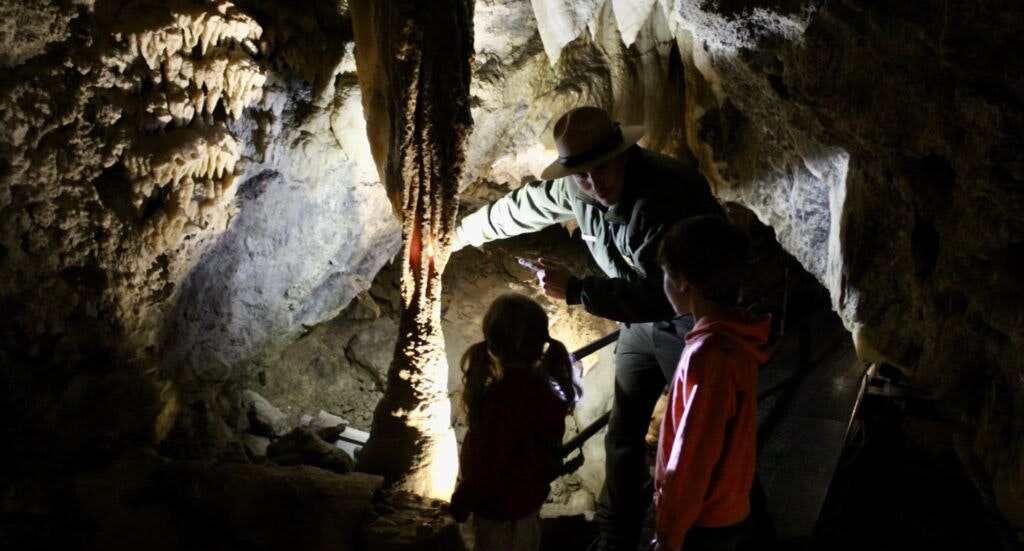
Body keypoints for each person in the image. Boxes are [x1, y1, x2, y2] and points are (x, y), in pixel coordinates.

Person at [452, 106, 724, 549]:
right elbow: (526, 206)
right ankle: (617, 534)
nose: (594, 185)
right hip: (637, 324)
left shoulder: (665, 196)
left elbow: (667, 292)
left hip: (689, 325)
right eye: (581, 176)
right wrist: (462, 234)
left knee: (703, 435)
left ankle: (726, 530)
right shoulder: (579, 188)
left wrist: (579, 290)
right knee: (622, 432)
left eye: (601, 170)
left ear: (622, 155)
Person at [652, 216, 772, 551]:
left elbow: (692, 455)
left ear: (684, 282)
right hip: (729, 507)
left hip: (705, 522)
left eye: (666, 274)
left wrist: (669, 533)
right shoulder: (736, 336)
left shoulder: (709, 356)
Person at [449, 293, 580, 551]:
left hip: (500, 516)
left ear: (492, 344)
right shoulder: (545, 389)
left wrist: (459, 506)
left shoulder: (502, 401)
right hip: (527, 510)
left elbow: (486, 464)